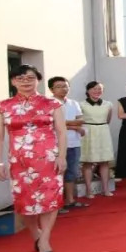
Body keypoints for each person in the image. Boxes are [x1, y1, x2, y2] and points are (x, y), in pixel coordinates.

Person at [0, 65, 67, 252]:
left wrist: (62, 156)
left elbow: (61, 131)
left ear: (38, 80)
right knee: (25, 200)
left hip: (49, 159)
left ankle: (45, 239)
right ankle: (36, 234)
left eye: (30, 78)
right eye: (20, 78)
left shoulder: (52, 104)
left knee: (51, 198)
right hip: (20, 161)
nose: (26, 81)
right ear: (13, 81)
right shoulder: (2, 106)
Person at [48, 77, 88, 213]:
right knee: (56, 174)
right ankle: (56, 204)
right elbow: (52, 124)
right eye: (59, 86)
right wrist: (73, 126)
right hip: (55, 144)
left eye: (65, 86)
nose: (63, 89)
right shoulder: (48, 104)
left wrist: (67, 124)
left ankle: (70, 200)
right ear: (51, 89)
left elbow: (81, 120)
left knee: (71, 172)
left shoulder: (73, 103)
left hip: (74, 142)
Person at [80, 81, 115, 199]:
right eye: (94, 89)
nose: (97, 91)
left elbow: (108, 119)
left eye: (99, 89)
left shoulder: (108, 104)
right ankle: (89, 191)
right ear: (88, 90)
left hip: (103, 131)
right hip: (88, 132)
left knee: (105, 161)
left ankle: (105, 189)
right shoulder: (81, 104)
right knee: (88, 162)